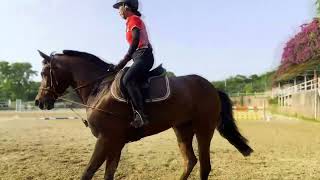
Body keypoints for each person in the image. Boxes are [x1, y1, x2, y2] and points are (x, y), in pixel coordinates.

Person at [113, 0, 154, 128]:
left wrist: (123, 61)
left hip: (143, 55)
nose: (118, 11)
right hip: (138, 56)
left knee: (127, 80)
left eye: (119, 7)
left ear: (126, 7)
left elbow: (135, 40)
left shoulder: (133, 19)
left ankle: (141, 115)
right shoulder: (129, 22)